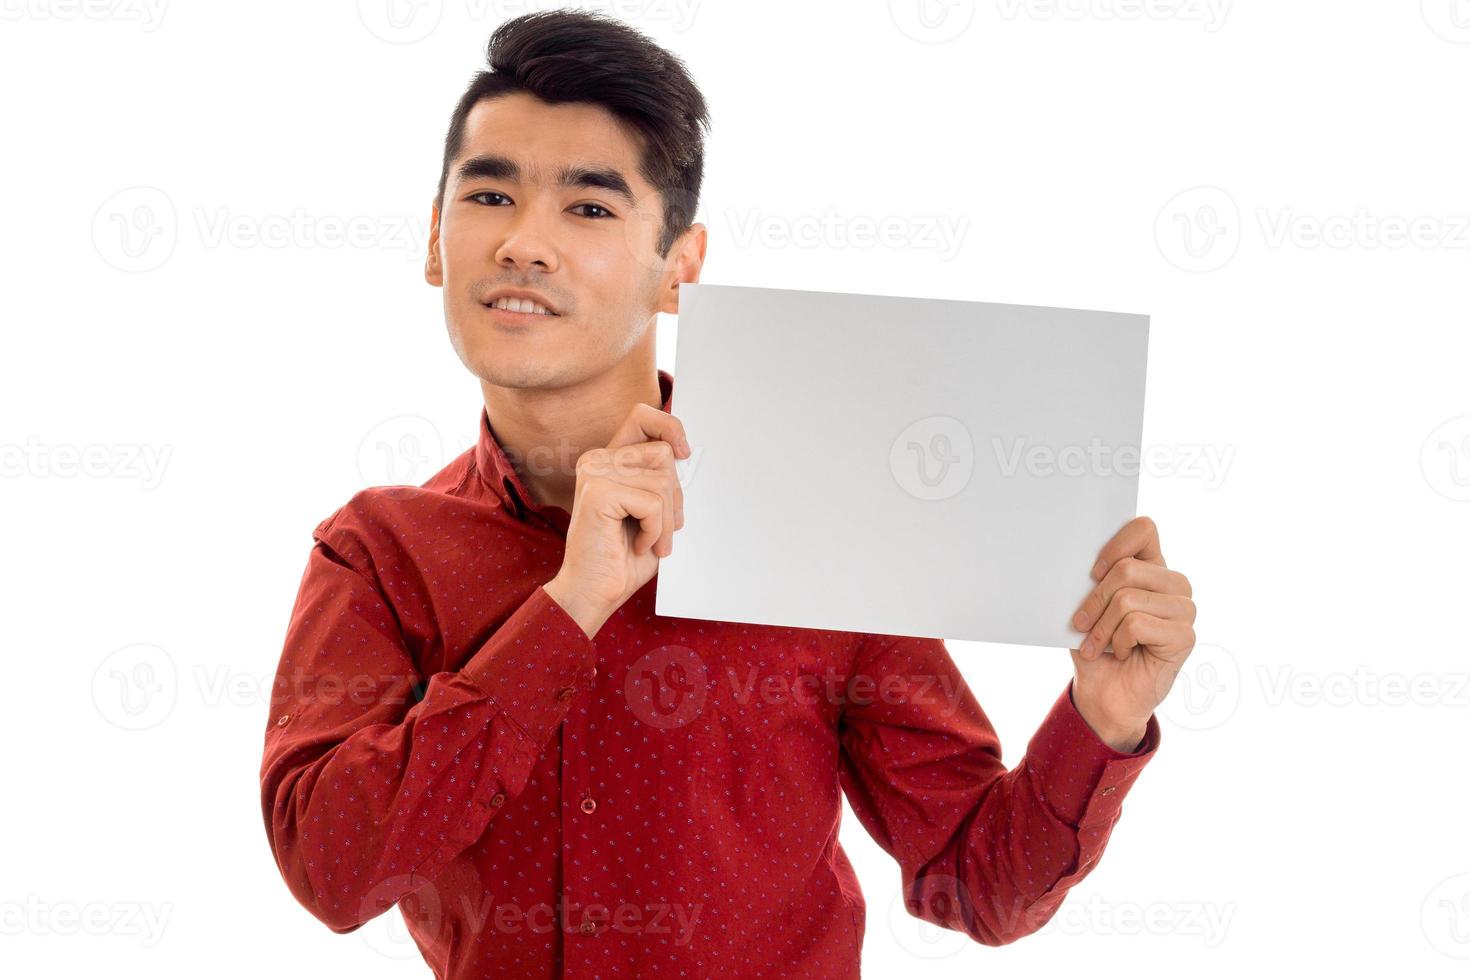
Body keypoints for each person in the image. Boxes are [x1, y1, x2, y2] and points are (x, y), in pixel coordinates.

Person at [257, 10, 1197, 978]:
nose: (525, 244)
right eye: (490, 194)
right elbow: (331, 867)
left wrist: (1105, 716)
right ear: (434, 241)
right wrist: (568, 605)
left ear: (681, 270)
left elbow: (975, 876)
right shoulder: (377, 551)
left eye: (589, 207)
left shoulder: (822, 519)